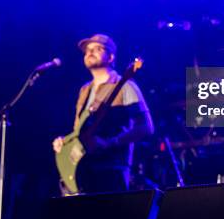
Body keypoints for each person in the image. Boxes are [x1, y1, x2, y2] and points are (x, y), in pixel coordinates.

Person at [53, 34, 153, 193]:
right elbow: (80, 131)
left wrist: (111, 142)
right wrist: (65, 142)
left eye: (97, 49)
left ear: (111, 57)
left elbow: (146, 127)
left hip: (111, 170)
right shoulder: (84, 90)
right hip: (83, 170)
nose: (90, 52)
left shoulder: (125, 86)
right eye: (87, 50)